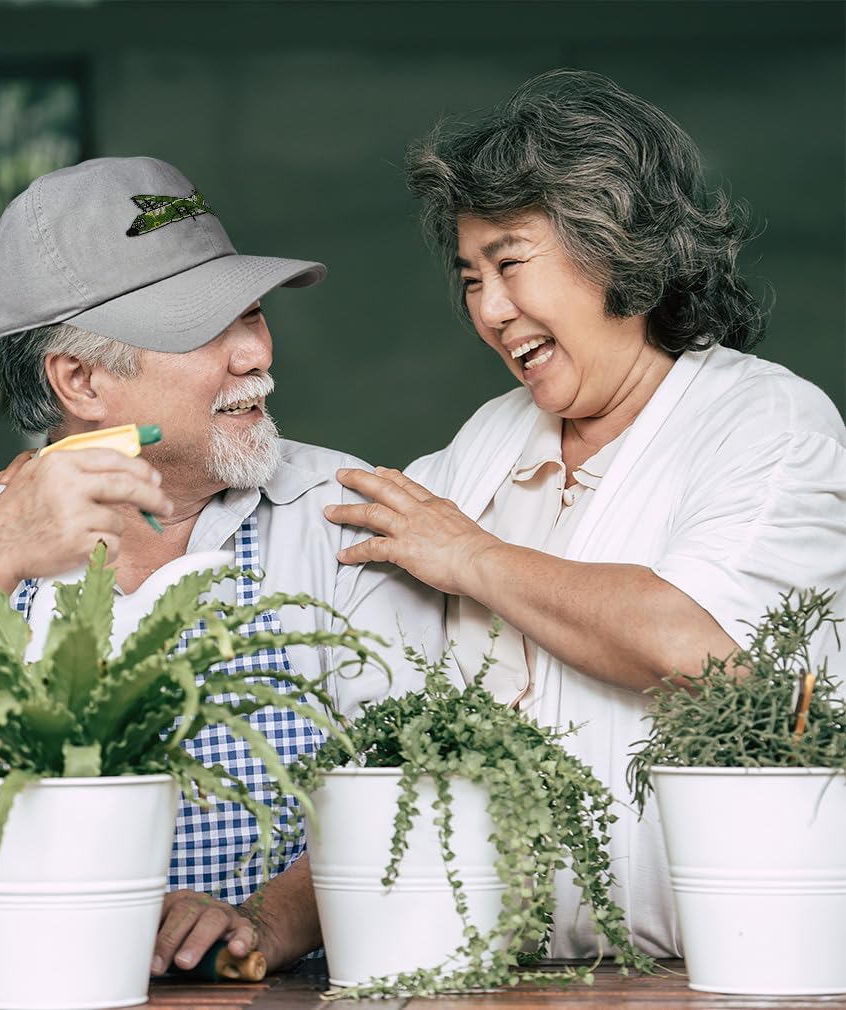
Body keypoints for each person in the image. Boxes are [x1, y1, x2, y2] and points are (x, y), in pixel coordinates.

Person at [0, 157, 447, 974]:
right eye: (204, 329)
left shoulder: (344, 517)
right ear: (79, 380)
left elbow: (424, 783)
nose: (254, 355)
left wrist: (266, 919)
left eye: (254, 314)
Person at [322, 70, 846, 959]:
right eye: (470, 276)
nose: (487, 310)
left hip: (723, 971)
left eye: (510, 263)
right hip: (512, 975)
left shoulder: (768, 424)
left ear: (616, 249)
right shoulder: (484, 445)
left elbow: (707, 648)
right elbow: (335, 548)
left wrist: (473, 558)